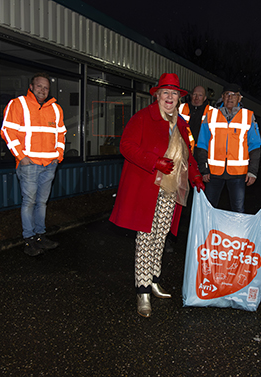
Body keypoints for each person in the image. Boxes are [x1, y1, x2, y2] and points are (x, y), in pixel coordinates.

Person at [109, 73, 204, 318]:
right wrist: (154, 161)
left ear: (179, 98)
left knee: (160, 235)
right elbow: (126, 146)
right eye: (166, 93)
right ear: (157, 95)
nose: (170, 97)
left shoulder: (181, 123)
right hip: (146, 187)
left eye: (174, 93)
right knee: (145, 237)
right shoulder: (143, 118)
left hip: (170, 189)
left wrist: (195, 176)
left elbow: (187, 155)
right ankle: (142, 291)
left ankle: (153, 279)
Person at [1, 73, 66, 256]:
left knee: (42, 203)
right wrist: (21, 157)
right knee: (29, 202)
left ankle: (40, 236)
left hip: (50, 164)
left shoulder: (55, 109)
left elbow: (61, 134)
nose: (43, 90)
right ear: (31, 86)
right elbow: (7, 131)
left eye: (46, 87)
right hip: (29, 163)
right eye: (39, 86)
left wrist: (58, 156)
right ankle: (29, 239)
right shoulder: (18, 104)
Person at [195, 84, 261, 213]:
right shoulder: (210, 115)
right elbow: (202, 144)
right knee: (208, 209)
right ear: (222, 97)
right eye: (227, 94)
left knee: (237, 210)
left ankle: (235, 233)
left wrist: (252, 171)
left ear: (239, 98)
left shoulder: (248, 116)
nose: (230, 98)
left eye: (234, 95)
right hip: (213, 173)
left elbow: (255, 146)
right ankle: (208, 232)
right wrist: (204, 170)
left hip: (238, 174)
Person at [178, 85, 210, 153]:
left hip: (202, 152)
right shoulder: (180, 108)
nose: (197, 98)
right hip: (182, 149)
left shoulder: (211, 112)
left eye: (200, 95)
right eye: (195, 94)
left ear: (205, 98)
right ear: (191, 95)